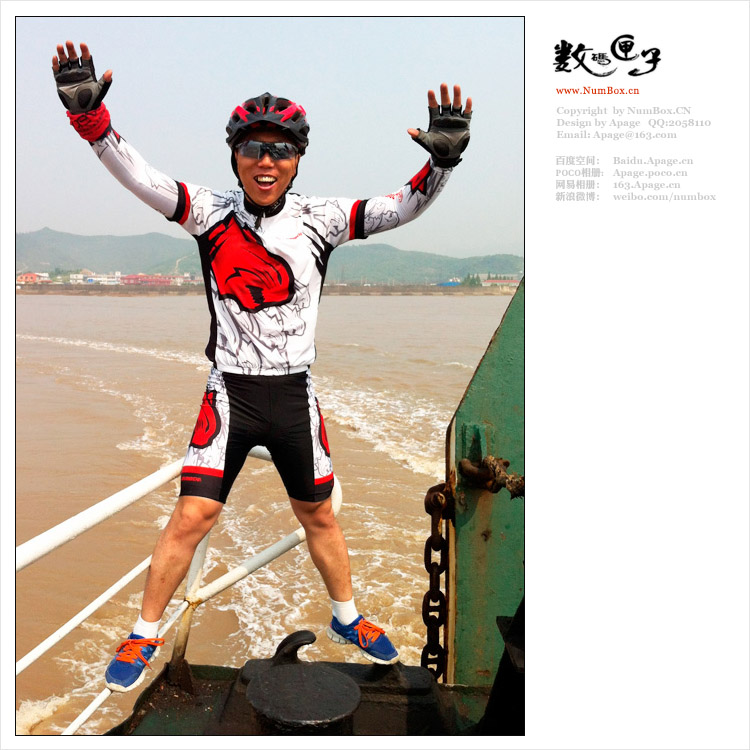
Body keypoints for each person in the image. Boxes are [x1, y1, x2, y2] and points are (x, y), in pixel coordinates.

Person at [52, 40, 472, 693]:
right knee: (191, 516)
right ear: (235, 155)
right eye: (253, 147)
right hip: (230, 396)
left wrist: (441, 164)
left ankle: (346, 617)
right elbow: (140, 177)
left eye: (281, 149)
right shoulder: (208, 211)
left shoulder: (321, 219)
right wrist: (91, 121)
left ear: (298, 158)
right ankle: (143, 631)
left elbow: (400, 206)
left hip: (294, 397)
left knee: (319, 515)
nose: (266, 160)